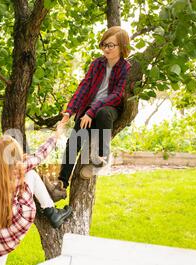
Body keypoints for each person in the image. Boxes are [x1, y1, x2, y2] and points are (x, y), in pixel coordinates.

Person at [0, 121, 72, 265]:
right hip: (19, 218)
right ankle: (52, 212)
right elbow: (40, 155)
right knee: (32, 174)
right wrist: (56, 134)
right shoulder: (18, 169)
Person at [44, 26, 131, 202]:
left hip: (109, 109)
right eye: (104, 44)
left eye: (111, 45)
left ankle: (101, 158)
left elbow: (117, 95)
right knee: (73, 142)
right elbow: (83, 88)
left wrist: (92, 111)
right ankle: (61, 185)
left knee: (104, 113)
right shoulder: (97, 64)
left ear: (122, 47)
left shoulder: (126, 68)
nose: (106, 48)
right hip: (88, 112)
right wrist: (69, 111)